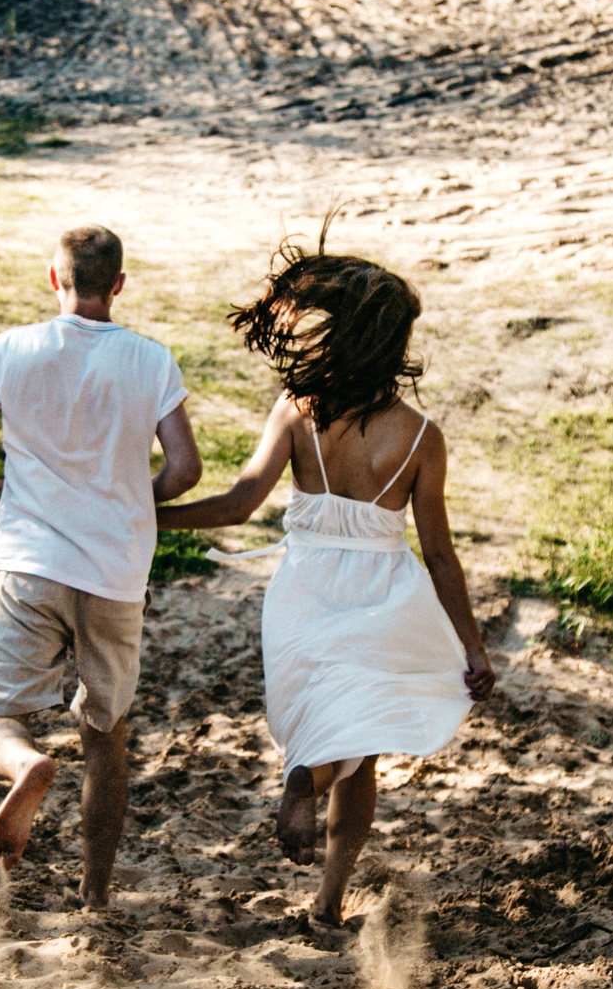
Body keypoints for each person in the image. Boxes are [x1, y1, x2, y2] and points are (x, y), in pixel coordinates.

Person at [157, 242, 496, 926]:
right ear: (393, 345)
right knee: (359, 748)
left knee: (326, 729)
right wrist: (472, 644)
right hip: (382, 600)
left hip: (303, 592)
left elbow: (238, 504)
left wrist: (153, 517)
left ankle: (305, 788)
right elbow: (439, 555)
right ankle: (326, 888)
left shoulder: (296, 410)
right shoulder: (420, 437)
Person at [0, 225, 200, 909]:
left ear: (55, 279)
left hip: (29, 561)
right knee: (106, 736)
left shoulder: (12, 348)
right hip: (113, 574)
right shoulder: (150, 359)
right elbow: (185, 469)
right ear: (118, 285)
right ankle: (95, 894)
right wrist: (134, 500)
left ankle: (26, 764)